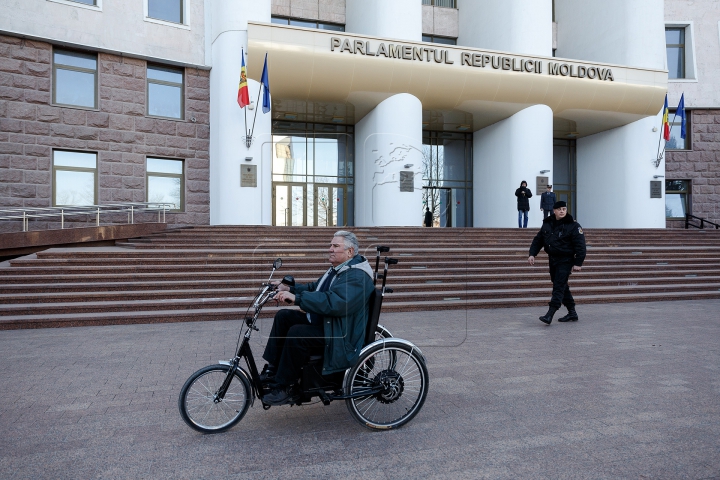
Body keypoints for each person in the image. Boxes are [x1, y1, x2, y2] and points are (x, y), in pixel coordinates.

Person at [261, 230, 374, 405]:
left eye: (335, 246)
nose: (330, 249)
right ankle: (273, 371)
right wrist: (289, 289)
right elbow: (316, 288)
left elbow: (336, 302)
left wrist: (298, 299)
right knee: (284, 316)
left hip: (341, 332)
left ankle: (285, 386)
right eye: (331, 245)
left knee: (298, 333)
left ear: (350, 252)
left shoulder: (357, 276)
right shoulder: (339, 269)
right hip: (329, 322)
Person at [527, 201, 586, 324]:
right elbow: (538, 240)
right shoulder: (548, 224)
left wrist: (578, 263)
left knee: (558, 286)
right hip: (553, 259)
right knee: (562, 285)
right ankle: (572, 312)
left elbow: (581, 246)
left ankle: (550, 314)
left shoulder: (573, 226)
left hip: (566, 260)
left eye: (564, 209)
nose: (562, 211)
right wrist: (532, 254)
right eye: (559, 209)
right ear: (554, 210)